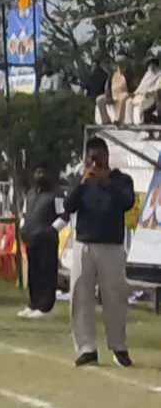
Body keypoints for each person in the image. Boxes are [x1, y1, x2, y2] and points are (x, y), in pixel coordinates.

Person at [64, 137, 135, 367]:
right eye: (91, 159)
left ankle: (118, 346)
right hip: (84, 243)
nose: (95, 163)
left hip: (112, 246)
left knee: (115, 298)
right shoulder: (82, 180)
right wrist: (83, 184)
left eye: (99, 158)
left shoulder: (121, 180)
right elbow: (68, 206)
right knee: (80, 297)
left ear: (107, 158)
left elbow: (127, 202)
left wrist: (107, 183)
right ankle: (86, 347)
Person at [19, 166, 62, 319]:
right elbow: (24, 213)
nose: (40, 175)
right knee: (33, 273)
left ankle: (45, 306)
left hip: (47, 240)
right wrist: (22, 227)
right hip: (31, 238)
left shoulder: (56, 194)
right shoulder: (30, 193)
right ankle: (33, 303)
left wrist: (52, 230)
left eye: (43, 172)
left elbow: (64, 216)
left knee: (47, 272)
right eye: (37, 172)